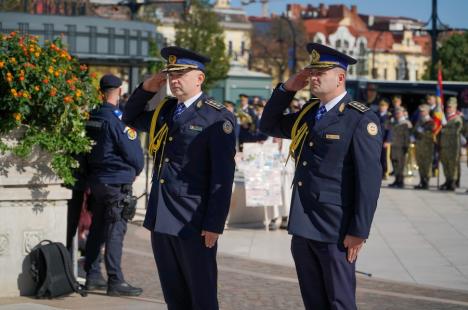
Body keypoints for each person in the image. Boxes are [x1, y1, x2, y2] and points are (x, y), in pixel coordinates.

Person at [260, 43, 382, 310]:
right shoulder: (309, 114)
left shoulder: (359, 119)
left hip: (335, 230)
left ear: (340, 77)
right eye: (311, 72)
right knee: (313, 301)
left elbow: (369, 181)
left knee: (339, 302)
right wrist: (287, 89)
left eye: (320, 72)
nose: (313, 77)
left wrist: (358, 231)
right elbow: (267, 125)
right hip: (303, 225)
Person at [123, 46, 236, 310]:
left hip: (193, 221)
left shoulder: (216, 117)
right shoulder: (165, 111)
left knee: (202, 295)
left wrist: (214, 224)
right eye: (171, 74)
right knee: (174, 295)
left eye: (181, 74)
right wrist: (148, 87)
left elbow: (223, 176)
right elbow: (130, 117)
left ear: (199, 78)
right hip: (162, 216)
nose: (174, 80)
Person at [84, 74, 144, 296]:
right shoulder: (117, 119)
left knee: (97, 228)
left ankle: (92, 276)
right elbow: (135, 155)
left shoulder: (92, 115)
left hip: (97, 181)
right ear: (119, 91)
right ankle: (115, 281)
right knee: (115, 230)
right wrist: (135, 170)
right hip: (116, 182)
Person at [439, 98, 463, 191]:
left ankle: (453, 182)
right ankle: (447, 180)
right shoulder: (444, 118)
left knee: (453, 165)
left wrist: (444, 129)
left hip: (453, 146)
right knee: (445, 164)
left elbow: (457, 130)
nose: (448, 109)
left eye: (450, 107)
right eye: (447, 107)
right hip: (444, 145)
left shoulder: (457, 119)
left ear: (455, 108)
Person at [388, 107, 412, 188]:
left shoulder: (405, 123)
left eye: (399, 113)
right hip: (394, 146)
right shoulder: (394, 122)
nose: (397, 114)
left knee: (400, 165)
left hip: (401, 147)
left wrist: (406, 147)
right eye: (396, 113)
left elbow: (407, 137)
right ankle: (396, 180)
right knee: (395, 164)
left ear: (403, 113)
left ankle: (400, 181)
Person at [413, 104, 434, 189]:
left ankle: (426, 182)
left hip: (427, 146)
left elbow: (431, 134)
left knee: (427, 164)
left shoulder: (430, 121)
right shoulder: (419, 120)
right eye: (420, 111)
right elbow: (415, 130)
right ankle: (422, 180)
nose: (421, 112)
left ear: (427, 111)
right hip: (419, 146)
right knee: (420, 164)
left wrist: (421, 132)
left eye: (423, 111)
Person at [376, 98, 392, 179]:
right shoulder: (375, 114)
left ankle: (385, 173)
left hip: (384, 139)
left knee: (384, 157)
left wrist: (388, 140)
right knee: (376, 156)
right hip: (376, 139)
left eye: (384, 106)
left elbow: (389, 129)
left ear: (387, 107)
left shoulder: (388, 116)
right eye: (381, 106)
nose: (382, 107)